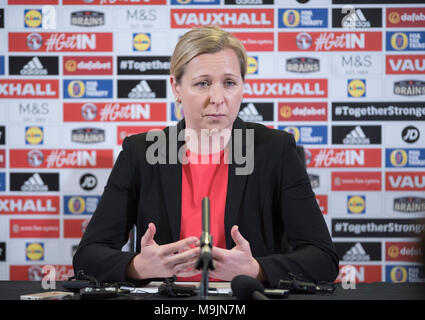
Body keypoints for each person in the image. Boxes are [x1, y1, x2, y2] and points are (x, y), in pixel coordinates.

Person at [73, 26, 339, 288]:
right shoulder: (141, 153)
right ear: (175, 87)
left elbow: (322, 259)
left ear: (242, 87)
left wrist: (256, 270)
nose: (217, 98)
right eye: (203, 83)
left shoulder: (275, 150)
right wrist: (139, 267)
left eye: (230, 83)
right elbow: (88, 256)